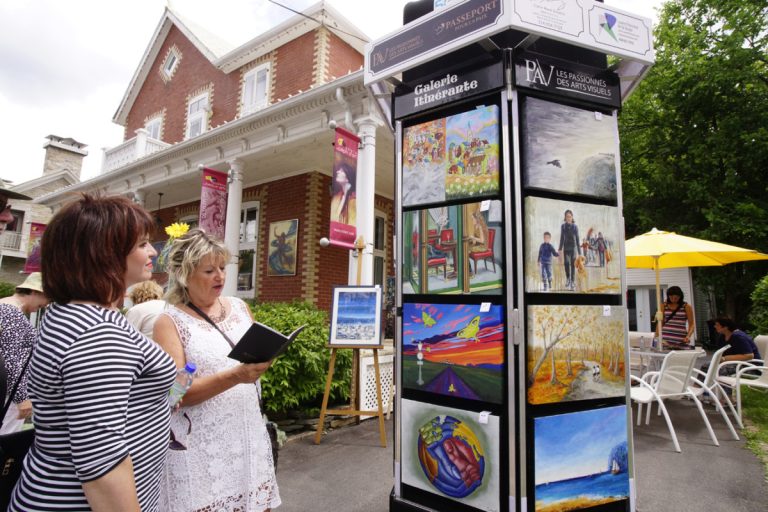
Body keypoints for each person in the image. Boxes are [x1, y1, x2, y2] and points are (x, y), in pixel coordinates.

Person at [10, 194, 176, 512]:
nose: (153, 251)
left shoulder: (72, 315)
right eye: (142, 244)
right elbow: (102, 463)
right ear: (104, 252)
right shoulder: (97, 333)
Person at [153, 228, 280, 511]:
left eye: (222, 267)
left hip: (246, 437)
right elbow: (176, 393)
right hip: (201, 449)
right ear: (184, 274)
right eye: (209, 270)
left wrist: (261, 362)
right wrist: (236, 376)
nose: (220, 276)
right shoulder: (170, 322)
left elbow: (252, 364)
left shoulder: (239, 308)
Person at [0, 272, 48, 434]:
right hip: (8, 393)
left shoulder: (4, 306)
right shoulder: (13, 313)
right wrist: (21, 398)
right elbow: (11, 359)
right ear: (34, 292)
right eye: (46, 297)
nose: (47, 304)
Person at [558, 209, 581, 291]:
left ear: (572, 217)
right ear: (565, 217)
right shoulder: (563, 226)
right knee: (567, 263)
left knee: (573, 265)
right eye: (567, 217)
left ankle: (572, 281)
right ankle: (568, 278)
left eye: (570, 217)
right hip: (566, 249)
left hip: (573, 249)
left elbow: (578, 240)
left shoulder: (575, 227)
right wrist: (560, 249)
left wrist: (580, 252)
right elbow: (561, 238)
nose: (568, 218)